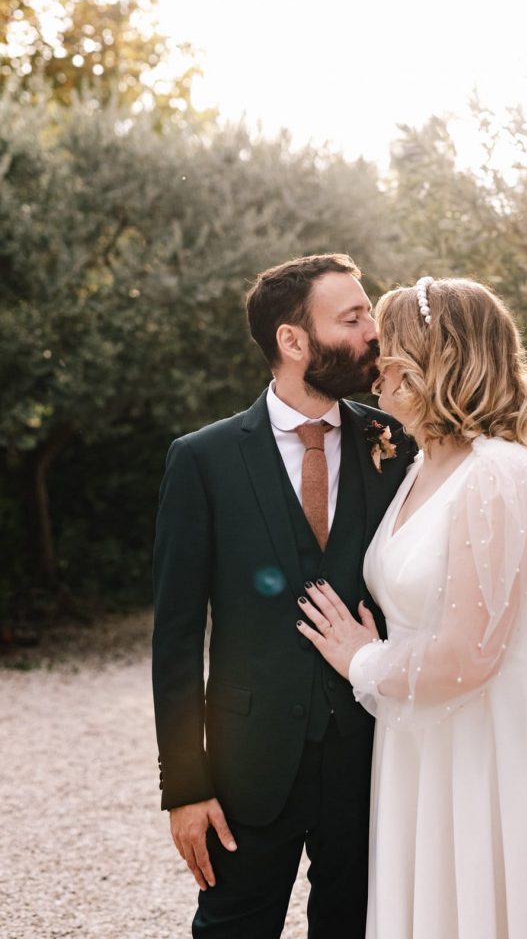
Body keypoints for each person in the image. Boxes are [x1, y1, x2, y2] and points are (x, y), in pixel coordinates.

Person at [298, 276, 527, 939]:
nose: (374, 361)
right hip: (425, 743)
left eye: (389, 345)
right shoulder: (423, 464)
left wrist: (361, 659)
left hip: (490, 748)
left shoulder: (498, 474)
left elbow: (470, 656)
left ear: (432, 359)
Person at [151, 253, 414, 938]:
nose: (373, 334)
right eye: (353, 319)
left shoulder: (398, 444)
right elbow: (176, 637)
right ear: (293, 341)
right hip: (249, 763)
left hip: (373, 756)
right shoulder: (202, 460)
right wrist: (186, 787)